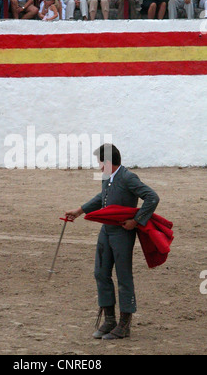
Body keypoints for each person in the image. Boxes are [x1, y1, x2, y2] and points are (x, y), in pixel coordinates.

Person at [65, 144, 160, 340]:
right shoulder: (108, 177)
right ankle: (109, 320)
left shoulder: (128, 177)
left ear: (107, 162)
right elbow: (103, 198)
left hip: (123, 233)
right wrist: (80, 210)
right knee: (100, 272)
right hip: (107, 230)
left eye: (100, 162)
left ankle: (125, 324)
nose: (99, 167)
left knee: (124, 276)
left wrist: (136, 221)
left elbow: (152, 197)